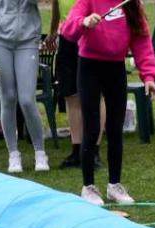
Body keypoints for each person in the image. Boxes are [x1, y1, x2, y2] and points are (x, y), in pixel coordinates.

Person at [60, 0, 155, 205]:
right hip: (89, 67)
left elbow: (142, 41)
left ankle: (114, 185)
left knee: (115, 129)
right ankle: (88, 187)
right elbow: (68, 30)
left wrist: (148, 77)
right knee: (91, 128)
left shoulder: (132, 4)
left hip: (116, 69)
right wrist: (84, 22)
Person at [0, 0, 48, 174]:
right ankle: (13, 154)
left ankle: (40, 152)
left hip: (28, 39)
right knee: (7, 98)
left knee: (27, 100)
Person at [49, 0, 100, 170]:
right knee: (71, 94)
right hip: (67, 35)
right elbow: (57, 5)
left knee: (97, 95)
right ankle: (77, 149)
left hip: (92, 32)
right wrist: (53, 30)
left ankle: (94, 150)